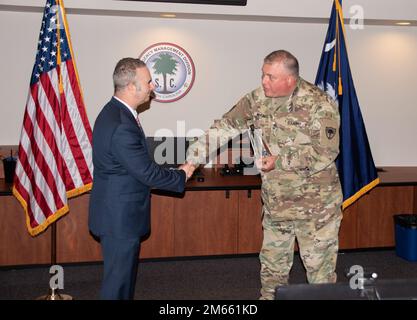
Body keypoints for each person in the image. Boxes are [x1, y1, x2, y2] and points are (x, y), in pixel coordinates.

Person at [186, 50, 342, 300]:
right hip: (276, 205)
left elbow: (326, 152)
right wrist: (192, 160)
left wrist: (280, 161)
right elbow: (224, 127)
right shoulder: (257, 99)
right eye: (263, 75)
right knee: (272, 274)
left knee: (320, 278)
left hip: (316, 210)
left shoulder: (319, 104)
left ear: (290, 80)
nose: (263, 81)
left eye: (270, 77)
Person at [89, 57, 194, 300]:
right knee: (117, 285)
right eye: (148, 82)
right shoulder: (120, 123)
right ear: (132, 87)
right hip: (119, 219)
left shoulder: (115, 113)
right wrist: (180, 175)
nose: (153, 86)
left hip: (115, 213)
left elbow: (134, 165)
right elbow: (145, 172)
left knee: (122, 281)